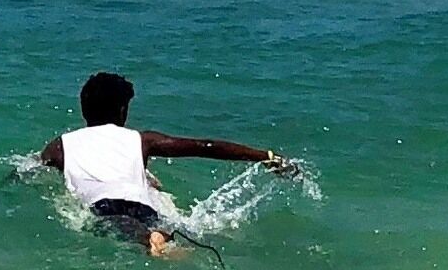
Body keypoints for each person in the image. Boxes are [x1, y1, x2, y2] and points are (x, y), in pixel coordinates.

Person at [33, 72, 293, 259]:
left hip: (101, 205)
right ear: (123, 111)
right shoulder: (141, 140)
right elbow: (205, 146)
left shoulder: (61, 146)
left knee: (118, 226)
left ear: (83, 108)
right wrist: (265, 156)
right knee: (154, 225)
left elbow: (28, 171)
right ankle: (157, 239)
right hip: (145, 207)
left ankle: (151, 241)